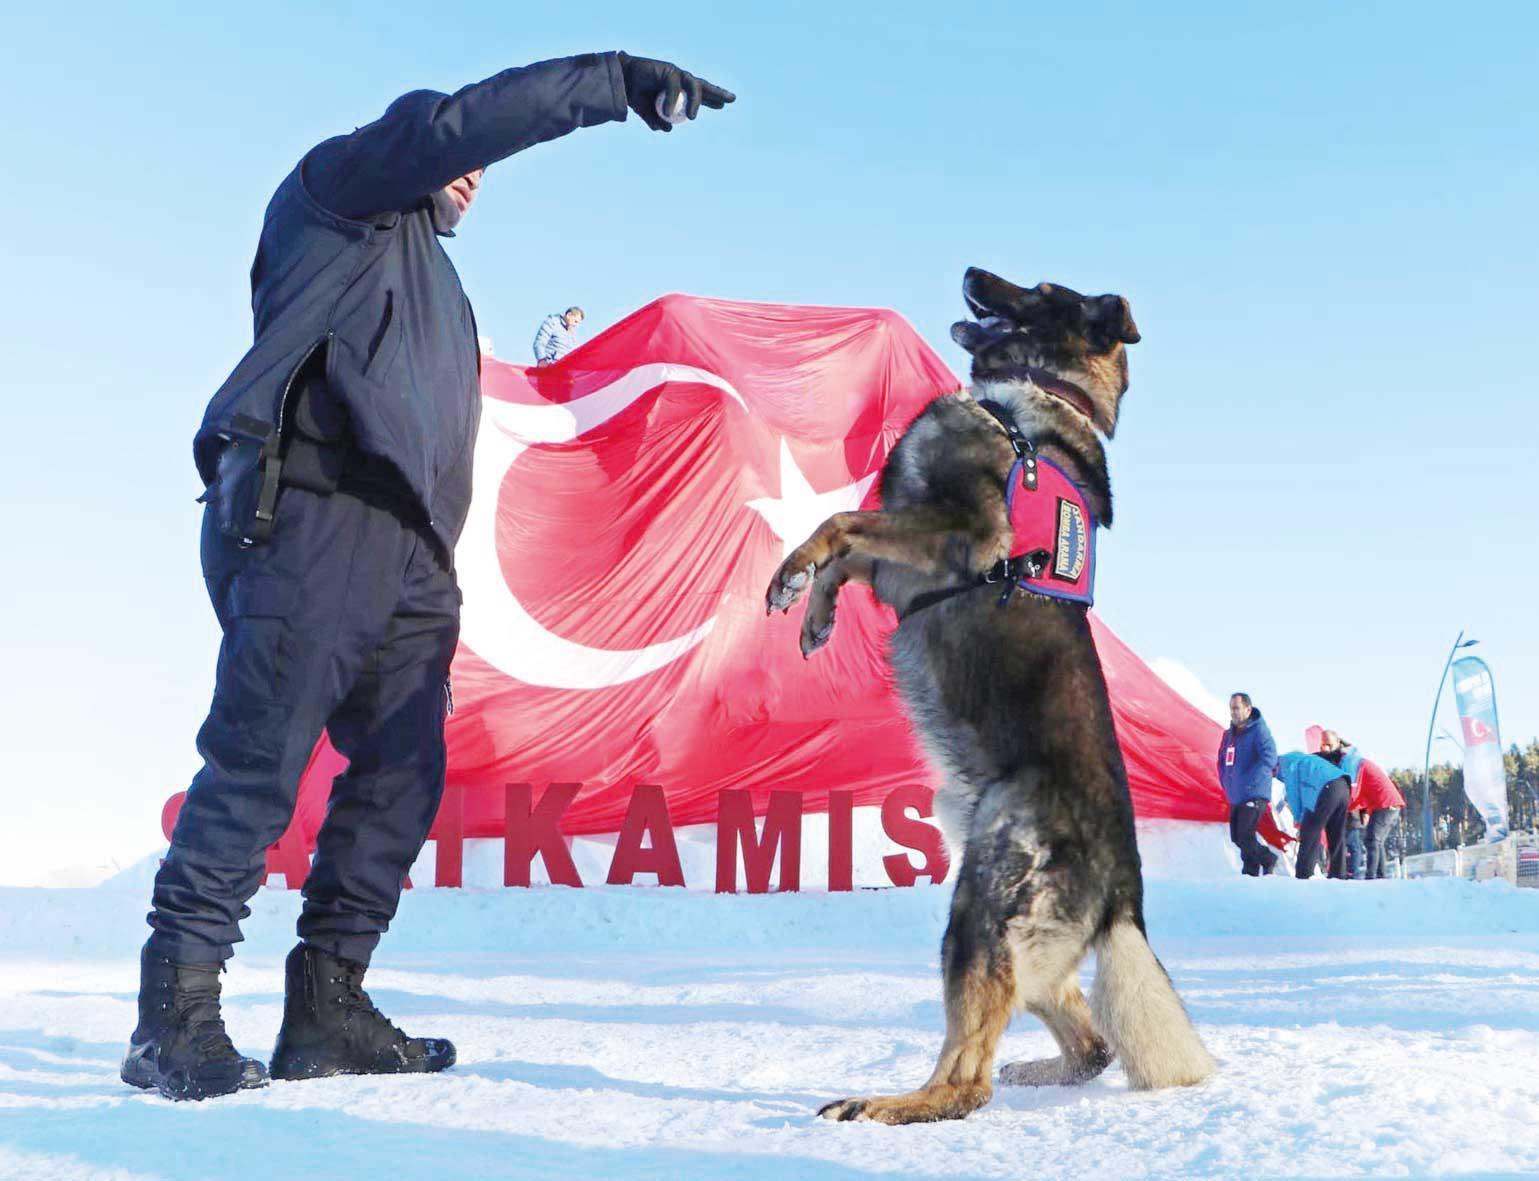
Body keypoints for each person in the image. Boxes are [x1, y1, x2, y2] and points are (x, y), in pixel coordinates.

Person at [126, 52, 735, 1103]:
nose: (475, 175)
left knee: (404, 775)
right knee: (260, 759)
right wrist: (608, 82)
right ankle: (172, 1012)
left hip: (409, 553)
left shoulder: (440, 289)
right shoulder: (339, 198)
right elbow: (451, 130)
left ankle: (328, 1003)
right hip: (313, 513)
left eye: (480, 167)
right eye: (461, 157)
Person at [1218, 692, 1279, 876]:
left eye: (1236, 708)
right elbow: (1221, 761)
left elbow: (1270, 757)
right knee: (1237, 837)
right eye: (1231, 708)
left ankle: (1262, 862)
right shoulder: (1228, 735)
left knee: (1245, 834)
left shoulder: (1259, 730)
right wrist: (1225, 782)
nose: (1233, 712)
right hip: (1236, 794)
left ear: (1248, 709)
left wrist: (1252, 781)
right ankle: (1255, 867)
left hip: (1254, 793)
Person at [1276, 752, 1353, 879]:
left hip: (1326, 787)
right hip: (1343, 784)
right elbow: (1304, 793)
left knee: (1309, 833)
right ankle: (1339, 874)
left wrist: (1298, 819)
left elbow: (1293, 793)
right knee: (1336, 833)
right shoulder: (1299, 759)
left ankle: (1303, 875)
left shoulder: (1286, 762)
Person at [1356, 758, 1406, 878]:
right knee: (1377, 841)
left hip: (1386, 804)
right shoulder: (1365, 770)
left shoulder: (1359, 772)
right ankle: (1380, 874)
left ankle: (1371, 876)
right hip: (1390, 804)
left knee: (1372, 840)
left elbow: (1357, 797)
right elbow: (1367, 795)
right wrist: (1366, 812)